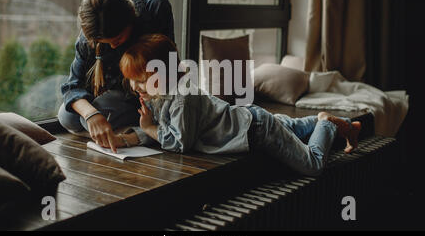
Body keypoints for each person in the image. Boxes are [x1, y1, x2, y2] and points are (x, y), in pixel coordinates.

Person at [118, 34, 362, 176]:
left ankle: (327, 123)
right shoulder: (160, 95)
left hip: (255, 130)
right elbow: (164, 129)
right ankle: (348, 126)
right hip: (249, 122)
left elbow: (180, 142)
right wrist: (132, 138)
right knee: (296, 129)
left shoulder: (183, 97)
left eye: (141, 80)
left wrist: (149, 129)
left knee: (313, 165)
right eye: (131, 80)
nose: (135, 86)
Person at [58, 0, 175, 153]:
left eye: (118, 39)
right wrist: (91, 115)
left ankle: (141, 132)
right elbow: (72, 86)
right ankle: (119, 130)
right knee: (66, 116)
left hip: (146, 94)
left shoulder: (155, 7)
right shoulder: (91, 35)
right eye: (106, 43)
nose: (113, 46)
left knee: (93, 116)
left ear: (131, 20)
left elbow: (167, 64)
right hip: (110, 96)